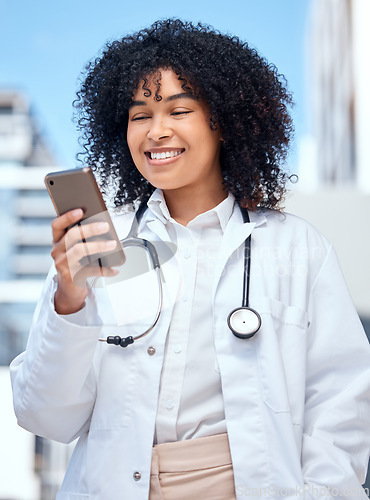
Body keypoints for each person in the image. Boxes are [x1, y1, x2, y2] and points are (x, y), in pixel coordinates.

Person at [10, 19, 370, 500]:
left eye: (179, 110)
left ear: (224, 122)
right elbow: (45, 416)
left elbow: (341, 404)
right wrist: (70, 300)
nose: (157, 132)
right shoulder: (97, 245)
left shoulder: (297, 249)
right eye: (140, 116)